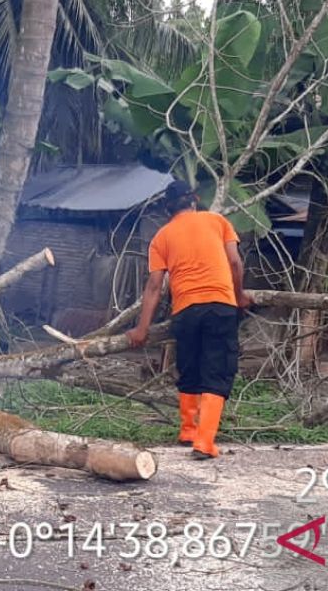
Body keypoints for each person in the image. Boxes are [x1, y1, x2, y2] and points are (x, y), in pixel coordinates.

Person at [128, 180, 253, 460]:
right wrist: (240, 296)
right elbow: (235, 263)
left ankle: (187, 430)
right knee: (217, 370)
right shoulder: (217, 221)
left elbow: (154, 287)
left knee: (190, 368)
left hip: (185, 311)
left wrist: (141, 329)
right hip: (220, 305)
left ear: (166, 209)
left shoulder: (161, 237)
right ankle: (204, 442)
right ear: (195, 199)